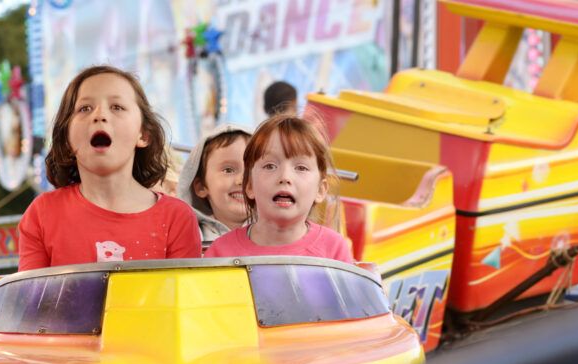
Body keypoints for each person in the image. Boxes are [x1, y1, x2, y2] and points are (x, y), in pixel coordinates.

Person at [18, 65, 202, 270]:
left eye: (117, 107)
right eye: (85, 108)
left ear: (143, 135)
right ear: (67, 139)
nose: (100, 115)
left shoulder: (176, 218)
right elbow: (30, 299)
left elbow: (182, 299)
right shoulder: (43, 213)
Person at [205, 115, 352, 262]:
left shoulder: (333, 250)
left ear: (320, 190)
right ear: (249, 185)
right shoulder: (221, 252)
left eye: (301, 167)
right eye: (270, 166)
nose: (285, 177)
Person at [178, 124, 252, 242]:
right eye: (228, 170)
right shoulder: (188, 236)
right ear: (201, 187)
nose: (242, 180)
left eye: (252, 170)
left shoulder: (280, 232)